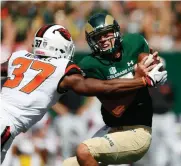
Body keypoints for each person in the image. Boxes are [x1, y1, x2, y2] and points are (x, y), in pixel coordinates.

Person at [0, 24, 161, 163]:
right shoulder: (62, 68)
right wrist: (142, 81)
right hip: (5, 124)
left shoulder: (18, 57)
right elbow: (105, 87)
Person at [63, 13, 167, 166]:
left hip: (137, 131)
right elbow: (117, 110)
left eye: (107, 34)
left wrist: (154, 65)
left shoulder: (134, 43)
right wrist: (139, 80)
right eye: (98, 37)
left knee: (84, 151)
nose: (104, 40)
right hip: (112, 127)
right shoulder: (91, 65)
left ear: (117, 31)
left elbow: (150, 61)